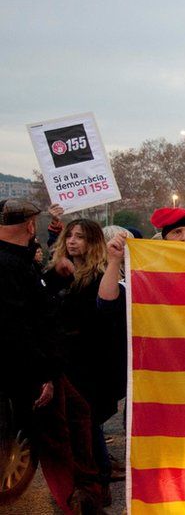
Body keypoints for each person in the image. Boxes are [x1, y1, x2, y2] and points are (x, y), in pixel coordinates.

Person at [0, 200, 103, 513]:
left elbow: (36, 305)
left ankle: (87, 489)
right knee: (56, 438)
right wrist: (42, 375)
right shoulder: (8, 264)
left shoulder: (17, 260)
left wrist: (56, 277)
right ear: (31, 225)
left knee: (78, 414)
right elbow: (18, 326)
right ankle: (74, 500)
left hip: (43, 364)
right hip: (32, 368)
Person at [44, 219, 126, 503]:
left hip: (93, 363)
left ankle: (98, 485)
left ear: (93, 242)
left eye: (80, 237)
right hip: (64, 362)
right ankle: (83, 485)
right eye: (69, 236)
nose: (72, 241)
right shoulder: (57, 274)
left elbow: (105, 312)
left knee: (89, 425)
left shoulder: (98, 277)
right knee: (76, 427)